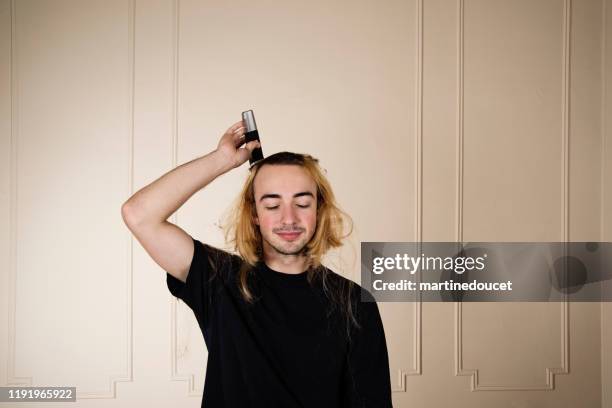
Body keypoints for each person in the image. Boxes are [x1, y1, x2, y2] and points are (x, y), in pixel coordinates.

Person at [121, 120, 393, 407]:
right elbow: (139, 215)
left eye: (302, 203)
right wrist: (222, 160)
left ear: (319, 209)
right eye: (272, 205)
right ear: (254, 214)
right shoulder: (220, 280)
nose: (289, 218)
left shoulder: (354, 303)